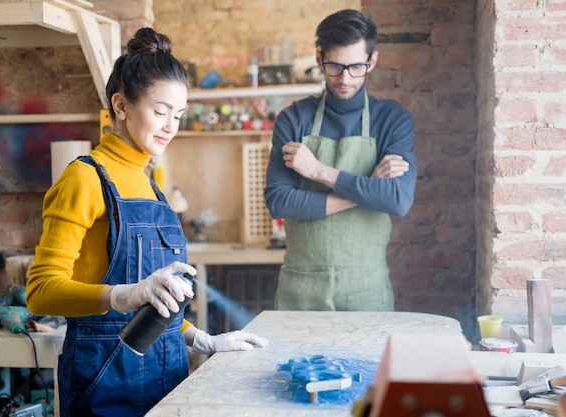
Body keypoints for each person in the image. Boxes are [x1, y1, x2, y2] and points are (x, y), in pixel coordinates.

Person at [26, 28, 267, 417]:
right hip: (103, 379)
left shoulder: (153, 189)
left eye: (179, 115)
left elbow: (153, 306)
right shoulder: (85, 178)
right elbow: (39, 291)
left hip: (167, 377)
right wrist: (120, 295)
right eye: (160, 111)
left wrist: (200, 339)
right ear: (120, 106)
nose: (171, 125)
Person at [264, 9, 417, 312]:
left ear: (371, 61)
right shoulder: (294, 118)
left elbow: (398, 200)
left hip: (367, 290)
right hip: (300, 290)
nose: (345, 78)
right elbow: (279, 201)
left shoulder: (392, 119)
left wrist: (319, 171)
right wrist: (370, 189)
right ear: (320, 58)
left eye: (356, 66)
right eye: (335, 65)